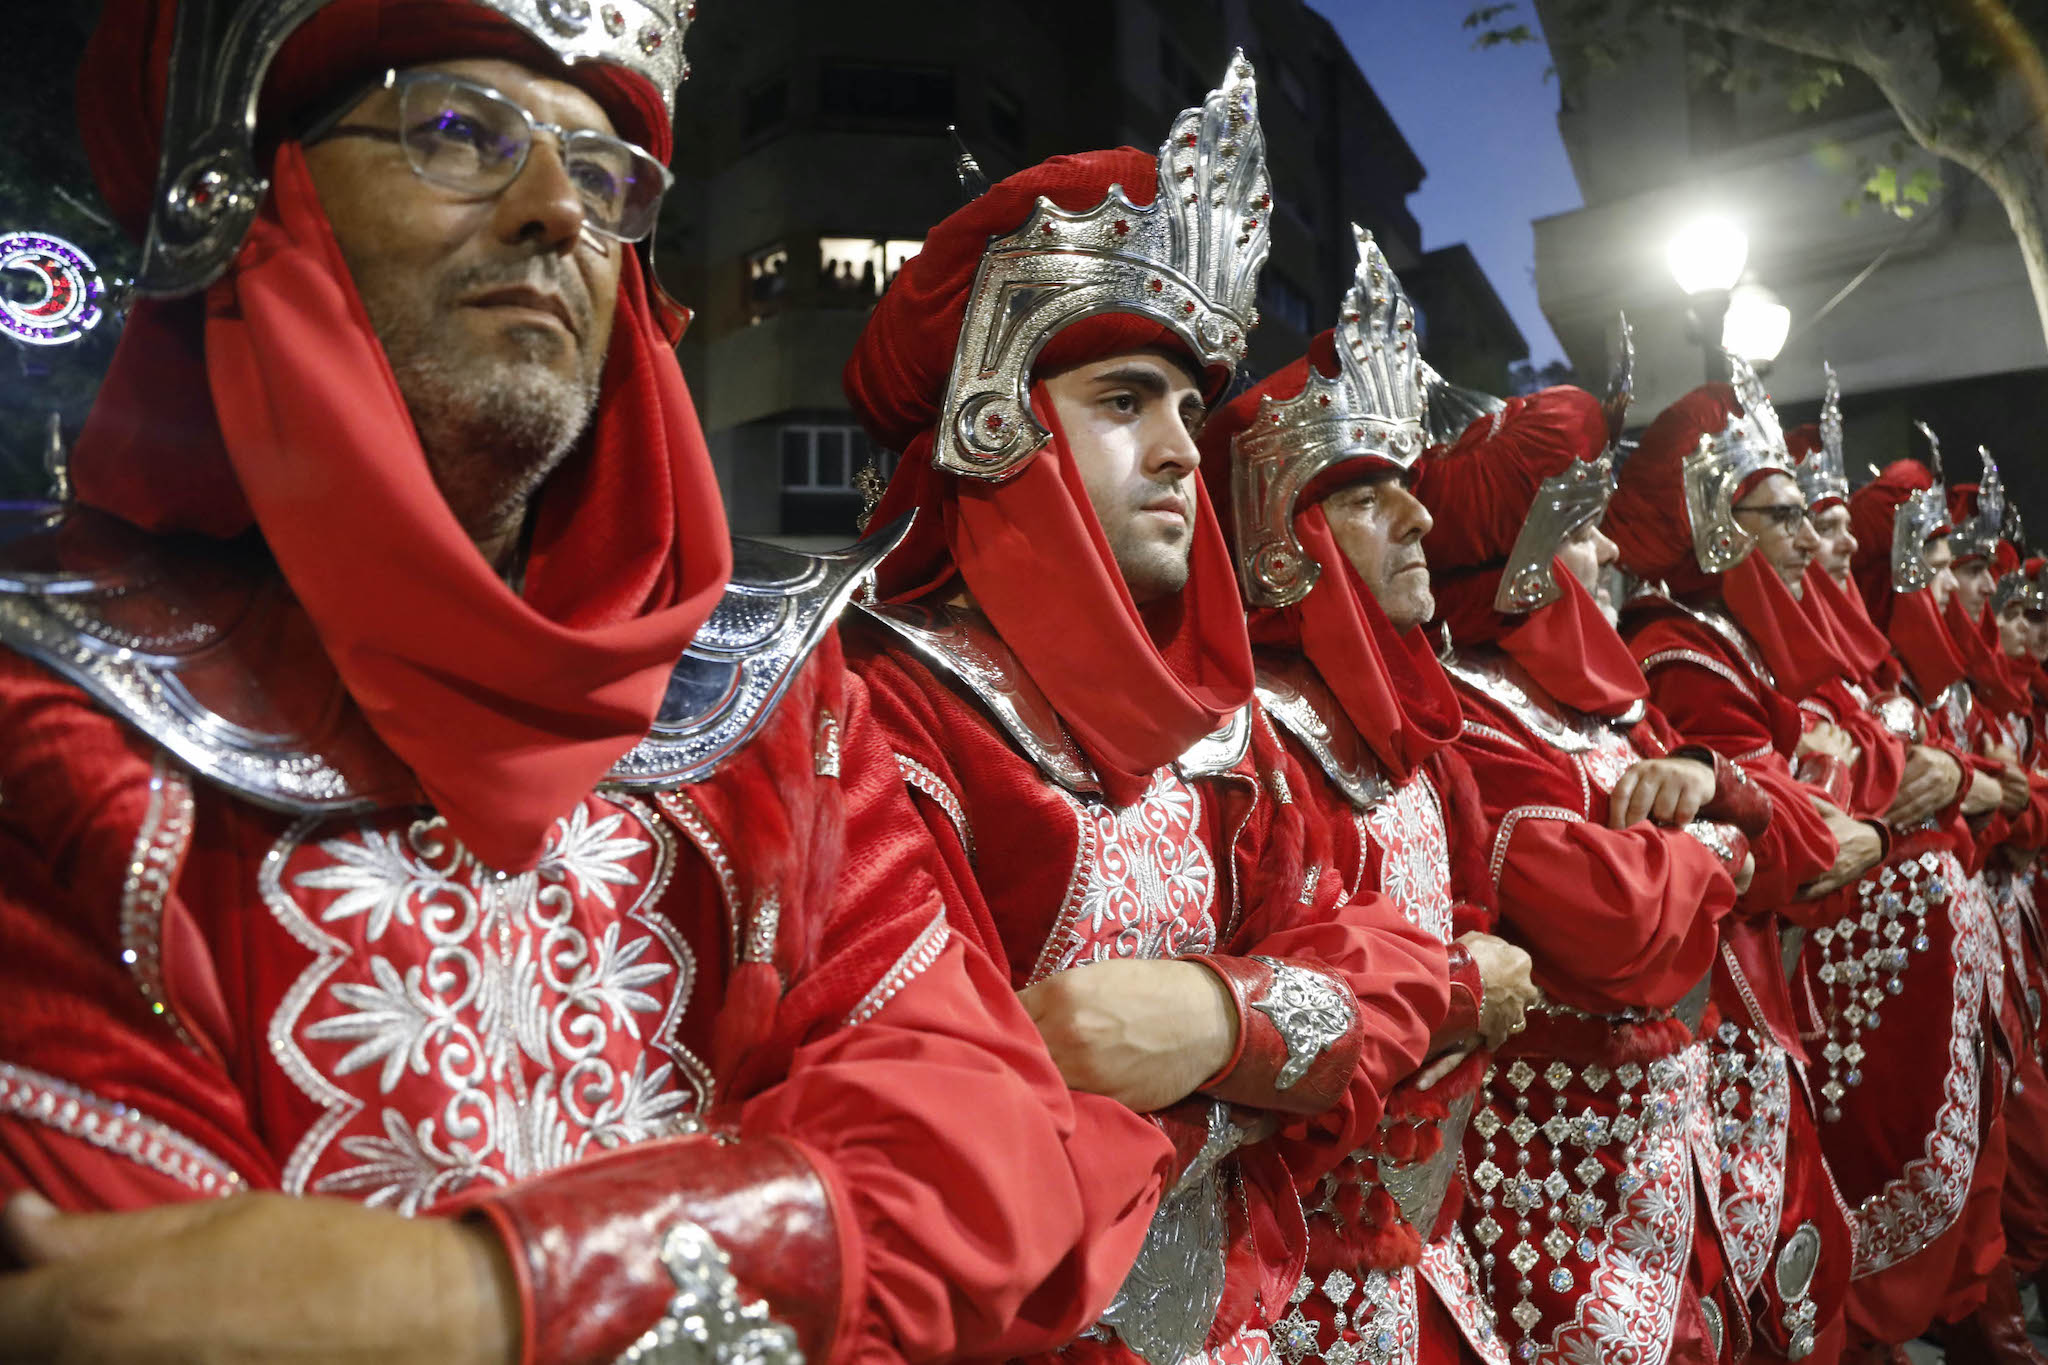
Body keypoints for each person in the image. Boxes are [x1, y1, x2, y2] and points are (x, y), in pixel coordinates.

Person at [0, 3, 1178, 1361]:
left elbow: (986, 1151)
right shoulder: (52, 721)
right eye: (456, 131)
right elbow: (139, 1317)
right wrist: (808, 1231)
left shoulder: (767, 701)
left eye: (609, 173)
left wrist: (476, 1298)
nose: (561, 209)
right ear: (249, 196)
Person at [844, 57, 1452, 1365]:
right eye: (1124, 402)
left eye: (1187, 403)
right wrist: (1278, 1074)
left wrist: (1209, 1023)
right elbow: (951, 1153)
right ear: (997, 423)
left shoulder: (1218, 742)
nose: (1185, 446)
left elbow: (1401, 964)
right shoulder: (885, 719)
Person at [1416, 347, 1807, 1365]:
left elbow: (1789, 852)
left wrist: (1709, 812)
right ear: (1520, 546)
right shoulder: (1462, 715)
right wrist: (1721, 832)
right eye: (1582, 529)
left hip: (1674, 1134)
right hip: (1557, 1172)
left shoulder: (1602, 703)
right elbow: (1616, 922)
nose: (1610, 554)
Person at [1198, 229, 1539, 1365]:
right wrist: (1448, 992)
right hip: (1279, 1286)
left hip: (1429, 1236)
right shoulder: (1232, 747)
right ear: (1284, 526)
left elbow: (1473, 919)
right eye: (1370, 495)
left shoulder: (1420, 743)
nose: (1423, 524)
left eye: (1414, 491)